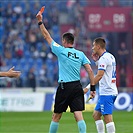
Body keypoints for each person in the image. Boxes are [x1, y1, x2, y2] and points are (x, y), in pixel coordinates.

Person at [36, 6, 96, 133]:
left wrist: (40, 21)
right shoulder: (81, 54)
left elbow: (47, 36)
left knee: (56, 116)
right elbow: (90, 71)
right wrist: (93, 88)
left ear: (64, 41)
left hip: (64, 87)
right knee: (78, 115)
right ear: (73, 42)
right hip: (76, 86)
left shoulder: (61, 50)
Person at [84, 38, 118, 133]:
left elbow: (99, 75)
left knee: (107, 118)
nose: (92, 48)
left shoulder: (103, 59)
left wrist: (88, 88)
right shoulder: (110, 56)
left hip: (107, 93)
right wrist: (96, 61)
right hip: (110, 90)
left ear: (98, 47)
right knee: (96, 115)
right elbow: (105, 72)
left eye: (94, 45)